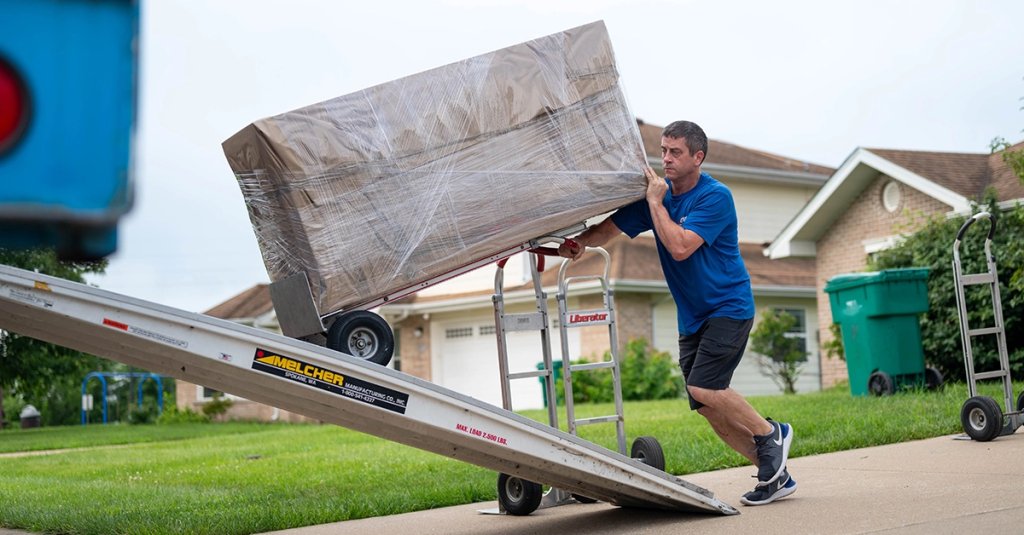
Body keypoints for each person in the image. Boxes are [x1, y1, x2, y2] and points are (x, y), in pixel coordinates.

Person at [557, 120, 796, 506]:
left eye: (675, 152)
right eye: (663, 150)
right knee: (704, 405)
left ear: (697, 157)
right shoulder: (657, 196)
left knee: (705, 387)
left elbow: (681, 247)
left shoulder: (714, 197)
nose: (665, 159)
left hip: (728, 307)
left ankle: (772, 434)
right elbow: (611, 228)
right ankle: (774, 473)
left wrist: (655, 202)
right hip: (693, 316)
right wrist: (581, 244)